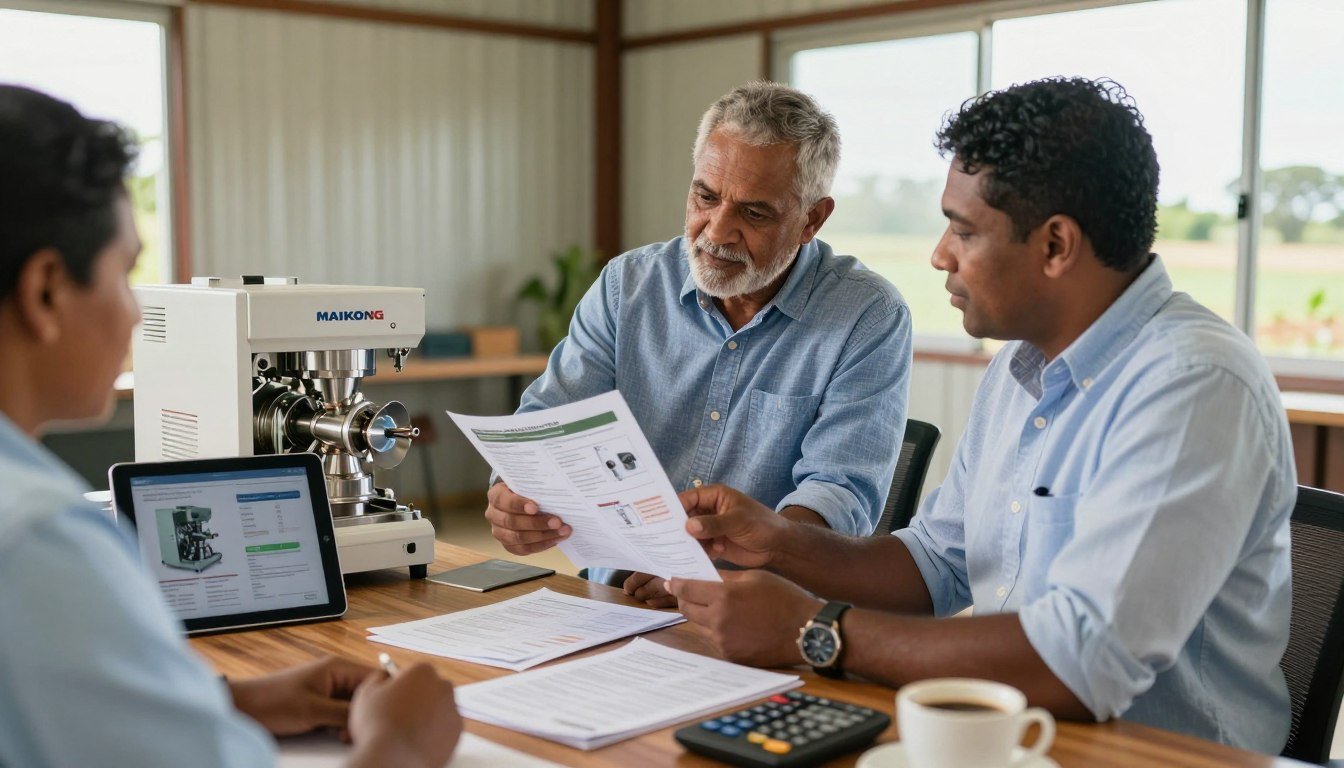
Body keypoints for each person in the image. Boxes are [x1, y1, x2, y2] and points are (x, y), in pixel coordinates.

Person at [665, 77, 1296, 754]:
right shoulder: (1019, 370)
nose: (939, 254)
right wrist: (779, 544)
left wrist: (815, 630)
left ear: (1055, 245)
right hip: (1010, 740)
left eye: (962, 230)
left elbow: (1085, 661)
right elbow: (934, 565)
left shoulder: (1193, 384)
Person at [0, 84, 461, 768]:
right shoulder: (41, 547)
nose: (135, 317)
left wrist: (228, 701)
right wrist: (401, 745)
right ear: (44, 291)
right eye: (124, 275)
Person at [485, 81, 912, 604]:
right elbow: (547, 423)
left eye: (754, 214)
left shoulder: (867, 315)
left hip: (766, 610)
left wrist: (720, 574)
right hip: (618, 602)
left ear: (812, 219)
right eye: (705, 197)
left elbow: (838, 494)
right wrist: (513, 496)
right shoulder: (629, 286)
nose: (718, 231)